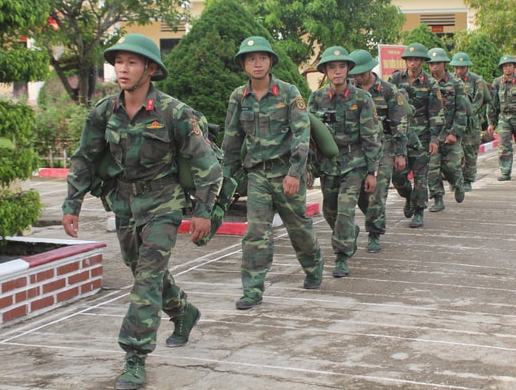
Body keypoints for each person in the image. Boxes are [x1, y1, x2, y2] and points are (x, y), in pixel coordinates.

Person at [61, 34, 223, 390]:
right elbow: (84, 158)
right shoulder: (104, 111)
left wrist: (203, 211)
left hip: (163, 204)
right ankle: (183, 311)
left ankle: (134, 356)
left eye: (132, 62)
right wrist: (72, 203)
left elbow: (206, 165)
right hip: (124, 203)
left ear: (150, 69)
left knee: (147, 278)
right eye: (119, 61)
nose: (123, 68)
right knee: (143, 272)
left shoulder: (174, 112)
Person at [222, 36, 324, 310]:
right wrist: (225, 179)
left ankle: (314, 266)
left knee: (298, 228)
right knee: (256, 232)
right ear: (243, 64)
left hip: (287, 173)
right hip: (257, 176)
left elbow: (301, 134)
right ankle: (252, 289)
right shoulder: (238, 97)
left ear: (270, 62)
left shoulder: (289, 93)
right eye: (251, 59)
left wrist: (295, 172)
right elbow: (231, 140)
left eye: (263, 58)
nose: (257, 63)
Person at [308, 46, 381, 277]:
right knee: (329, 210)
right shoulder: (317, 99)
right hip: (329, 164)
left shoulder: (362, 98)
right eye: (332, 67)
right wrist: (308, 168)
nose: (337, 72)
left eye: (341, 67)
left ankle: (341, 256)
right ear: (326, 71)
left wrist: (372, 171)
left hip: (355, 163)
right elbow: (308, 136)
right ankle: (349, 233)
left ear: (349, 70)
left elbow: (371, 136)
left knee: (345, 211)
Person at [349, 49, 408, 253]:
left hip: (384, 147)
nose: (357, 77)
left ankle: (374, 233)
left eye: (360, 72)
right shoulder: (349, 90)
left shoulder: (389, 91)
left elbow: (400, 123)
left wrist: (400, 153)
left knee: (377, 191)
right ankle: (372, 219)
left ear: (370, 69)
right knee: (358, 193)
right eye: (354, 73)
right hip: (357, 148)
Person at [389, 43, 445, 227]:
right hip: (400, 136)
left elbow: (436, 113)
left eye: (416, 60)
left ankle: (419, 211)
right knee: (398, 176)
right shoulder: (395, 79)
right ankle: (408, 196)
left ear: (422, 61)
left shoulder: (430, 83)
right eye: (410, 59)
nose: (413, 63)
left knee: (421, 177)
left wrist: (435, 140)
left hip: (422, 137)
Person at [427, 47, 467, 211]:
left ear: (444, 63)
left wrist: (455, 133)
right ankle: (438, 199)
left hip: (450, 131)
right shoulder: (426, 83)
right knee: (432, 168)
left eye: (437, 63)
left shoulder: (456, 83)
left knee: (451, 167)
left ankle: (458, 183)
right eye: (431, 63)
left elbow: (461, 110)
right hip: (432, 134)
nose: (434, 66)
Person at [450, 52, 490, 191]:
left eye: (462, 67)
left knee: (470, 152)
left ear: (467, 66)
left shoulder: (476, 80)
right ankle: (455, 179)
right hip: (454, 121)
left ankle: (468, 180)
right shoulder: (450, 79)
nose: (459, 70)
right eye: (456, 67)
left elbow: (479, 101)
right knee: (454, 152)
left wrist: (468, 111)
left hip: (471, 122)